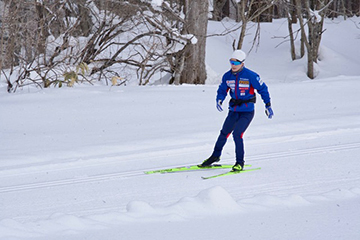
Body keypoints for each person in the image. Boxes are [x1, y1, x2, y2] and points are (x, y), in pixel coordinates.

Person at [198, 49, 273, 171]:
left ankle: (239, 162)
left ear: (242, 63)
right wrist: (220, 99)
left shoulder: (251, 76)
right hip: (233, 110)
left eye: (236, 63)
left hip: (247, 111)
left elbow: (263, 89)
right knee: (224, 133)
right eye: (231, 62)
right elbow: (222, 89)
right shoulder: (227, 76)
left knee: (237, 134)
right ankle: (215, 156)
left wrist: (268, 104)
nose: (233, 65)